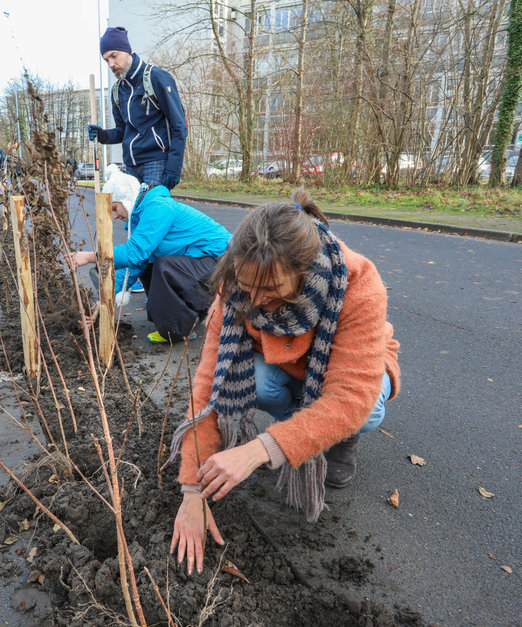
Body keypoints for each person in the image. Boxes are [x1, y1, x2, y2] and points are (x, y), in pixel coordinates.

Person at [168, 189, 401, 574]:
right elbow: (210, 385)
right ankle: (304, 428)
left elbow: (349, 396)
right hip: (285, 370)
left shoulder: (358, 283)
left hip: (348, 372)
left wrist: (260, 448)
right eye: (247, 287)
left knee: (366, 409)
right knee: (252, 379)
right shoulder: (237, 283)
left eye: (271, 291)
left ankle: (334, 437)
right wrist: (192, 489)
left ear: (304, 274)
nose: (254, 301)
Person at [65, 169, 231, 343]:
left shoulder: (158, 206)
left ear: (126, 199)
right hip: (206, 264)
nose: (114, 216)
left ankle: (177, 329)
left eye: (114, 207)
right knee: (149, 265)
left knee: (164, 266)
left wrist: (92, 257)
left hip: (224, 263)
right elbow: (135, 263)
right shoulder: (142, 214)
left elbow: (134, 253)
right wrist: (103, 301)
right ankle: (185, 317)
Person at [87, 26, 188, 189]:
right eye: (106, 60)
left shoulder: (156, 78)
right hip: (130, 168)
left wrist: (174, 168)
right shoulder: (117, 91)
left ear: (127, 51)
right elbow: (123, 131)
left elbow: (180, 126)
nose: (111, 64)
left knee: (152, 214)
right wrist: (104, 135)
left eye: (114, 56)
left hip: (156, 164)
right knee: (131, 215)